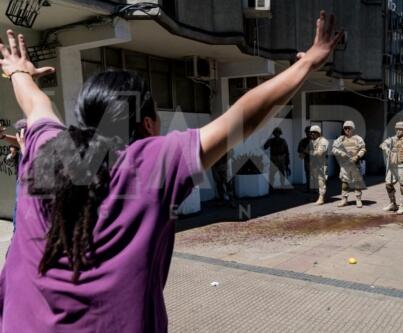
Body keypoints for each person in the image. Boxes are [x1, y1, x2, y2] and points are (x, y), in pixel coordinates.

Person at [0, 12, 344, 332]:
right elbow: (242, 118)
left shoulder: (46, 149)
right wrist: (309, 63)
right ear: (147, 123)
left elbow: (36, 104)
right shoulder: (150, 163)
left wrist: (18, 70)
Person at [380, 121, 403, 214]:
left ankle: (402, 204)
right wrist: (386, 149)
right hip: (392, 166)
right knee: (388, 185)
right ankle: (393, 203)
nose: (398, 131)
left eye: (400, 129)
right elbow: (383, 144)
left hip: (402, 166)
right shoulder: (392, 139)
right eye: (397, 129)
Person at [332, 120, 366, 208]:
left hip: (355, 164)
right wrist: (341, 153)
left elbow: (363, 149)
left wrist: (357, 156)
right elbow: (333, 149)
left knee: (357, 182)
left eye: (349, 128)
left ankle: (358, 199)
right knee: (345, 182)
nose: (347, 130)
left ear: (352, 128)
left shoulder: (358, 138)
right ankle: (344, 199)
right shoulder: (340, 139)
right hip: (345, 165)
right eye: (345, 128)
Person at [1, 120, 26, 228]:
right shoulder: (22, 142)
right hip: (21, 180)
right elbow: (18, 143)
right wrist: (2, 137)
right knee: (18, 209)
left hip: (31, 182)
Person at [308, 125, 329, 205]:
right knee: (315, 182)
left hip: (321, 165)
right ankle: (317, 196)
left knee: (321, 182)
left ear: (318, 133)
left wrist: (309, 153)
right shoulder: (313, 141)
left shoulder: (323, 141)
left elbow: (319, 153)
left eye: (314, 132)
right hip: (314, 164)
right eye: (311, 132)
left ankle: (321, 198)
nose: (312, 134)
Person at [297, 126, 312, 191]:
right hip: (307, 160)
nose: (308, 133)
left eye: (309, 132)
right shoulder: (303, 141)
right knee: (308, 174)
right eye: (307, 132)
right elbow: (299, 149)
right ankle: (309, 188)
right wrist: (305, 151)